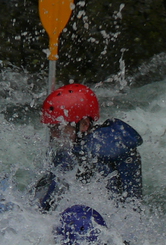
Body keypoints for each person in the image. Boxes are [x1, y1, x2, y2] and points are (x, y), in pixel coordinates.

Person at [35, 84, 143, 212]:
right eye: (51, 128)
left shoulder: (82, 154)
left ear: (85, 124)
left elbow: (49, 204)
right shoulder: (116, 142)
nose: (54, 135)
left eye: (59, 128)